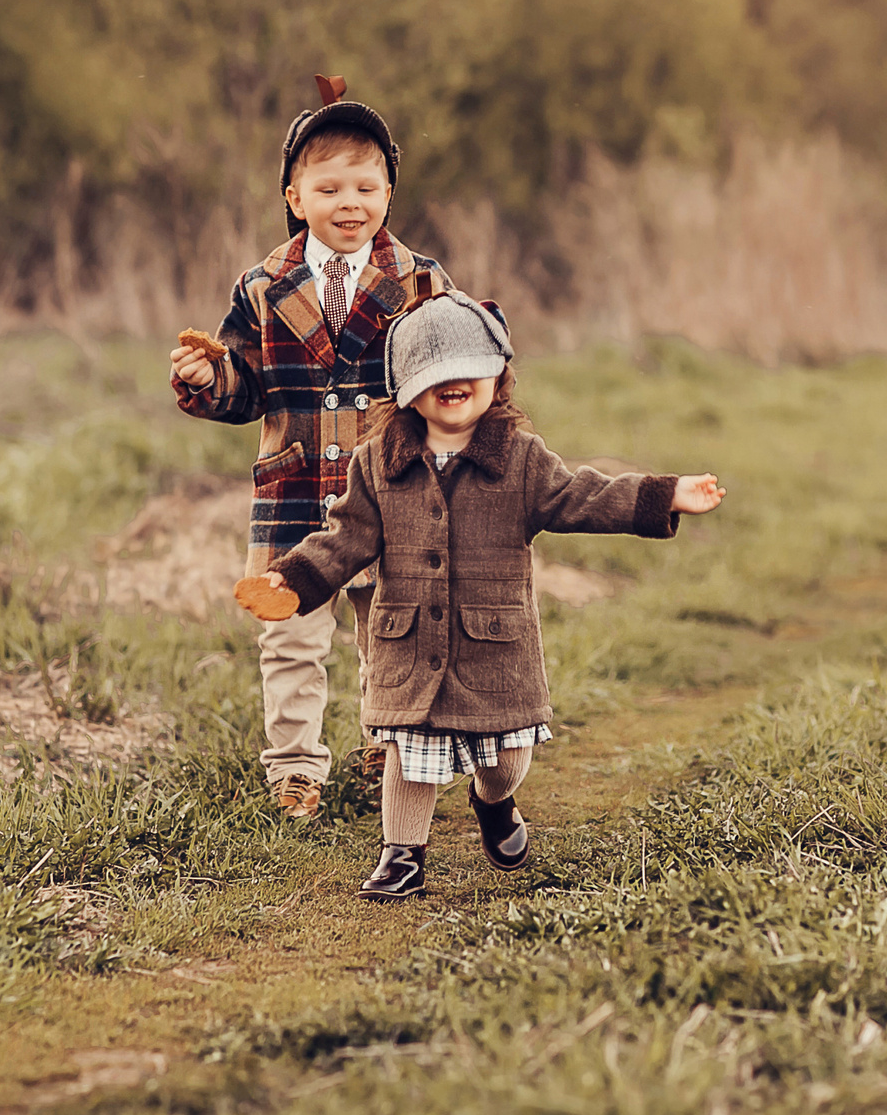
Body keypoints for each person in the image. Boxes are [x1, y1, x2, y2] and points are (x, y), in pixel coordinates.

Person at [242, 291, 726, 898]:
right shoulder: (376, 463)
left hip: (493, 649)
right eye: (433, 373)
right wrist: (291, 579)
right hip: (410, 643)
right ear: (405, 389)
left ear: (498, 377)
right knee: (409, 755)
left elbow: (583, 495)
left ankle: (493, 803)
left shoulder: (520, 460)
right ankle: (401, 855)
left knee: (501, 761)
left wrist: (665, 494)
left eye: (468, 369)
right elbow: (344, 537)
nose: (453, 381)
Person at [171, 77, 449, 819]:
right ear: (295, 195)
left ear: (390, 189)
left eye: (366, 185)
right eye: (329, 187)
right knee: (291, 637)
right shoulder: (264, 287)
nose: (349, 202)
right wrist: (208, 378)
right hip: (293, 495)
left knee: (389, 630)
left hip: (389, 491)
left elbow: (449, 379)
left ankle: (386, 745)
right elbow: (244, 386)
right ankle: (295, 769)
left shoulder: (420, 282)